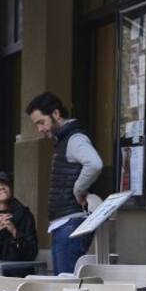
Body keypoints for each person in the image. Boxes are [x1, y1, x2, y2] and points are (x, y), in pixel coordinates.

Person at [25, 91, 102, 275]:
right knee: (67, 286)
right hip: (67, 223)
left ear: (56, 114)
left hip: (70, 223)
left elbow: (95, 163)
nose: (40, 129)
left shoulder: (74, 139)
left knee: (66, 287)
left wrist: (78, 189)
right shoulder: (65, 139)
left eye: (41, 122)